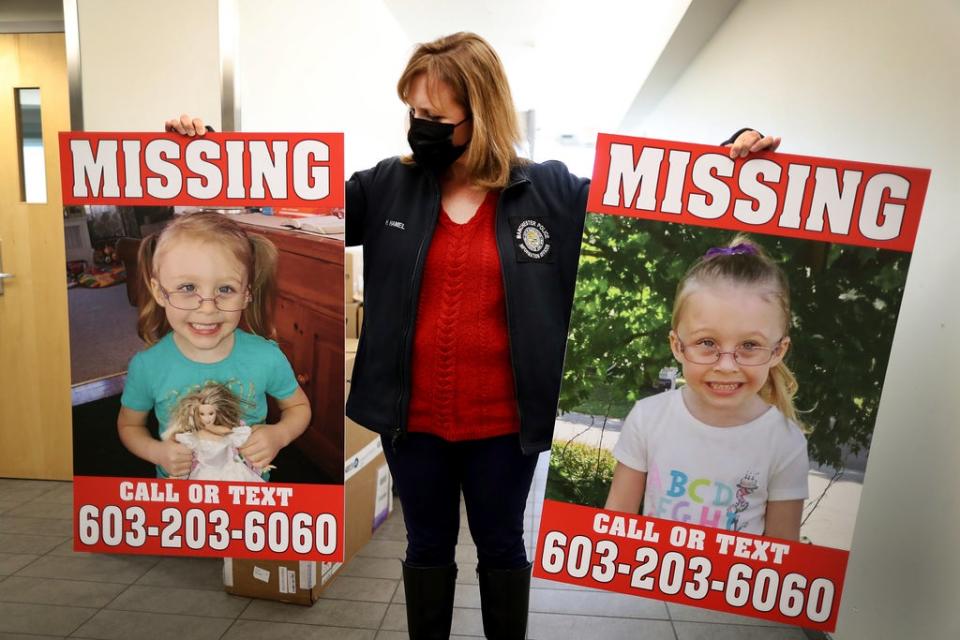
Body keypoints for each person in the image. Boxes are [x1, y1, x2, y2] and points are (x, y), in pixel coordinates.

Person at [165, 31, 779, 640]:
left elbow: (653, 203)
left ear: (479, 112)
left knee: (502, 547)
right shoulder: (385, 187)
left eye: (433, 115)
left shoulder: (552, 192)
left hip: (505, 427)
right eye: (412, 111)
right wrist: (217, 158)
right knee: (427, 546)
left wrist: (728, 156)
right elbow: (289, 200)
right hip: (414, 421)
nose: (418, 125)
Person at [605, 235, 809, 540]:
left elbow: (780, 555)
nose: (726, 365)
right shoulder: (648, 419)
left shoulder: (785, 442)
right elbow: (614, 524)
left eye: (750, 345)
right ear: (677, 345)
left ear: (777, 352)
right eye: (707, 343)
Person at [117, 212, 310, 479]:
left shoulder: (267, 357)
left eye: (225, 289)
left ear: (246, 295)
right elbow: (129, 425)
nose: (208, 308)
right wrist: (157, 452)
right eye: (187, 287)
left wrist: (280, 434)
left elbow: (298, 407)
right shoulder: (147, 365)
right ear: (159, 292)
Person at [163, 381, 267, 482]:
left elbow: (244, 448)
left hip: (231, 473)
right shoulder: (192, 437)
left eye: (211, 413)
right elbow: (186, 462)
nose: (207, 418)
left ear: (217, 412)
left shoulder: (229, 432)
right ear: (196, 414)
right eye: (202, 414)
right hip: (203, 475)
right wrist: (177, 477)